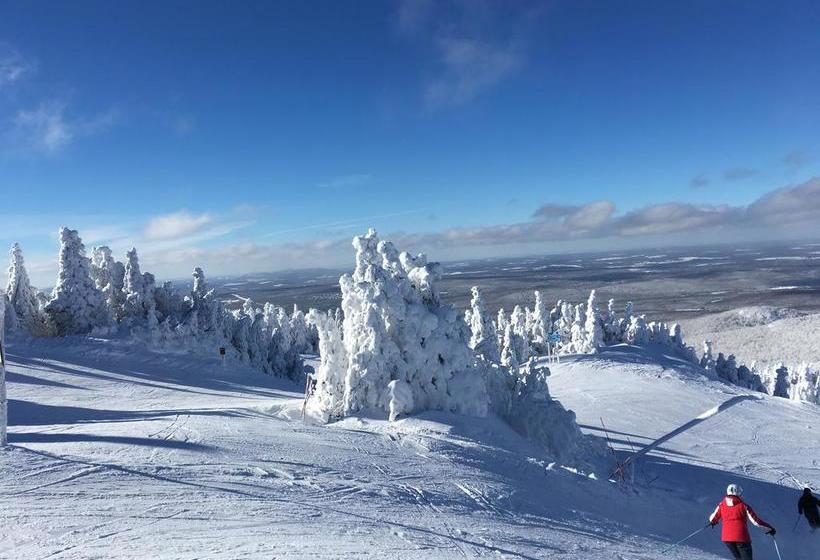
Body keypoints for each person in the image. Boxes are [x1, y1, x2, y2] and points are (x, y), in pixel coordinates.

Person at [708, 484, 775, 560]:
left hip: (727, 538)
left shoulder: (721, 505)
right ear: (739, 493)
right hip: (741, 537)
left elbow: (713, 518)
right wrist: (770, 528)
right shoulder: (743, 506)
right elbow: (756, 522)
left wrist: (713, 522)